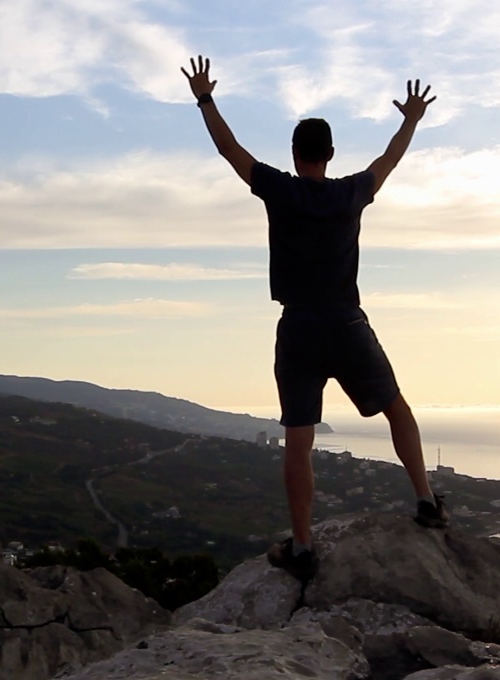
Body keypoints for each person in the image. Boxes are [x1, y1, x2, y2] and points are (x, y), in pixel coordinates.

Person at [182, 55, 448, 582]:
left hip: (299, 326)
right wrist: (411, 119)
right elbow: (388, 161)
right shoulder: (350, 193)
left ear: (295, 154)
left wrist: (205, 99)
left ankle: (302, 548)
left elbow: (229, 151)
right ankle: (425, 500)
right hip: (347, 324)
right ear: (329, 154)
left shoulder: (280, 190)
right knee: (397, 409)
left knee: (299, 440)